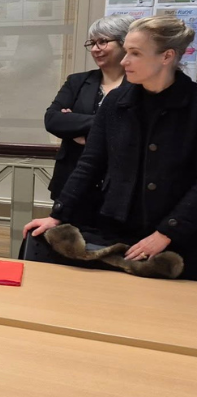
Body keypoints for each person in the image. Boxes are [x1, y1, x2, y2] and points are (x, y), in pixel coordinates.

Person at [24, 15, 197, 279]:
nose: (124, 61)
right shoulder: (117, 101)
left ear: (167, 56)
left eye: (135, 53)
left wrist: (166, 233)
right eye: (126, 51)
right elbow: (90, 164)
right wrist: (57, 215)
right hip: (115, 226)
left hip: (177, 236)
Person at [43, 14, 131, 227]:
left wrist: (77, 124)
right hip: (72, 181)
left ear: (125, 43)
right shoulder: (78, 81)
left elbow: (131, 129)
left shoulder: (138, 86)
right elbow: (53, 120)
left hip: (117, 186)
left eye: (103, 42)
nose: (95, 49)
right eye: (92, 43)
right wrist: (103, 126)